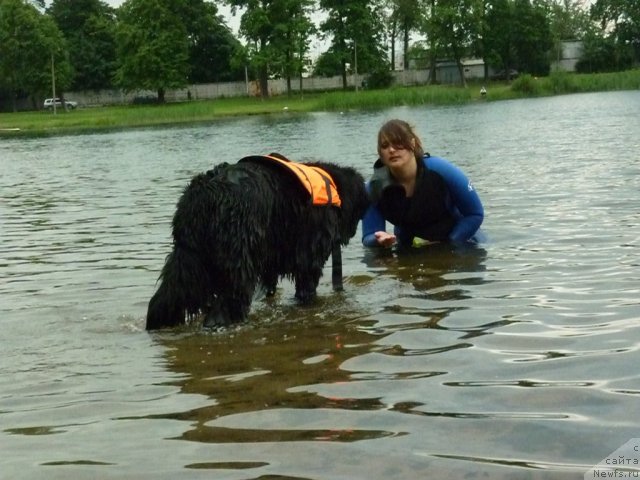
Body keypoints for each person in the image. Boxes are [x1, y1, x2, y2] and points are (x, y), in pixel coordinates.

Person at [362, 119, 484, 249]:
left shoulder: (442, 170)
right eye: (385, 146)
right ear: (380, 153)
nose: (391, 150)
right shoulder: (373, 188)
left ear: (412, 143)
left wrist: (451, 244)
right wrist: (379, 239)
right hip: (409, 247)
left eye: (398, 143)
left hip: (463, 240)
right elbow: (368, 235)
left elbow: (475, 214)